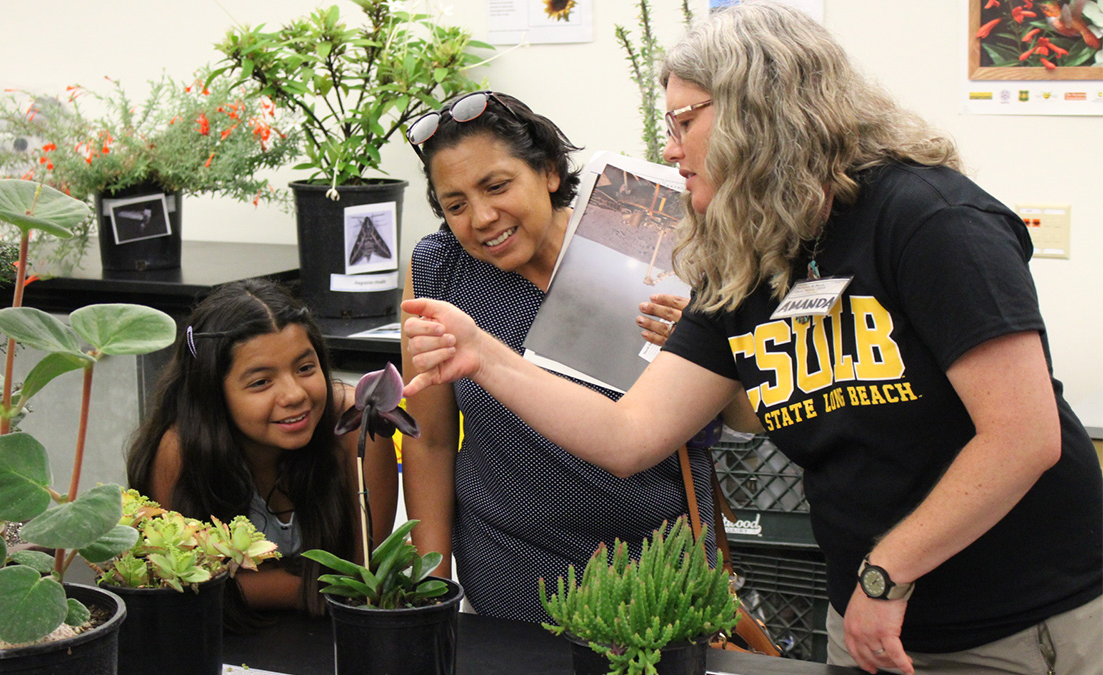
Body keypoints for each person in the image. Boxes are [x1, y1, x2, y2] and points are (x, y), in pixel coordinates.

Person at [401, 3, 1102, 674]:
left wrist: (890, 574)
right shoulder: (749, 256)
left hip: (1016, 619)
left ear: (758, 108)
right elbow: (629, 436)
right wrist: (484, 356)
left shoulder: (929, 219)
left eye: (683, 121)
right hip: (869, 617)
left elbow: (1023, 436)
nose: (670, 150)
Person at [401, 90, 733, 623]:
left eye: (497, 186)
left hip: (658, 568)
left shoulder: (657, 241)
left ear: (551, 171)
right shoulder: (441, 271)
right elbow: (431, 439)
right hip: (509, 569)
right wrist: (430, 584)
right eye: (455, 204)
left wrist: (701, 341)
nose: (482, 217)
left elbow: (746, 416)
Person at [127, 279, 397, 628]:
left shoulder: (355, 425)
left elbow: (363, 578)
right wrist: (312, 587)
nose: (294, 394)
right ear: (213, 392)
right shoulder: (180, 452)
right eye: (261, 382)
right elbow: (181, 582)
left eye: (305, 368)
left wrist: (250, 585)